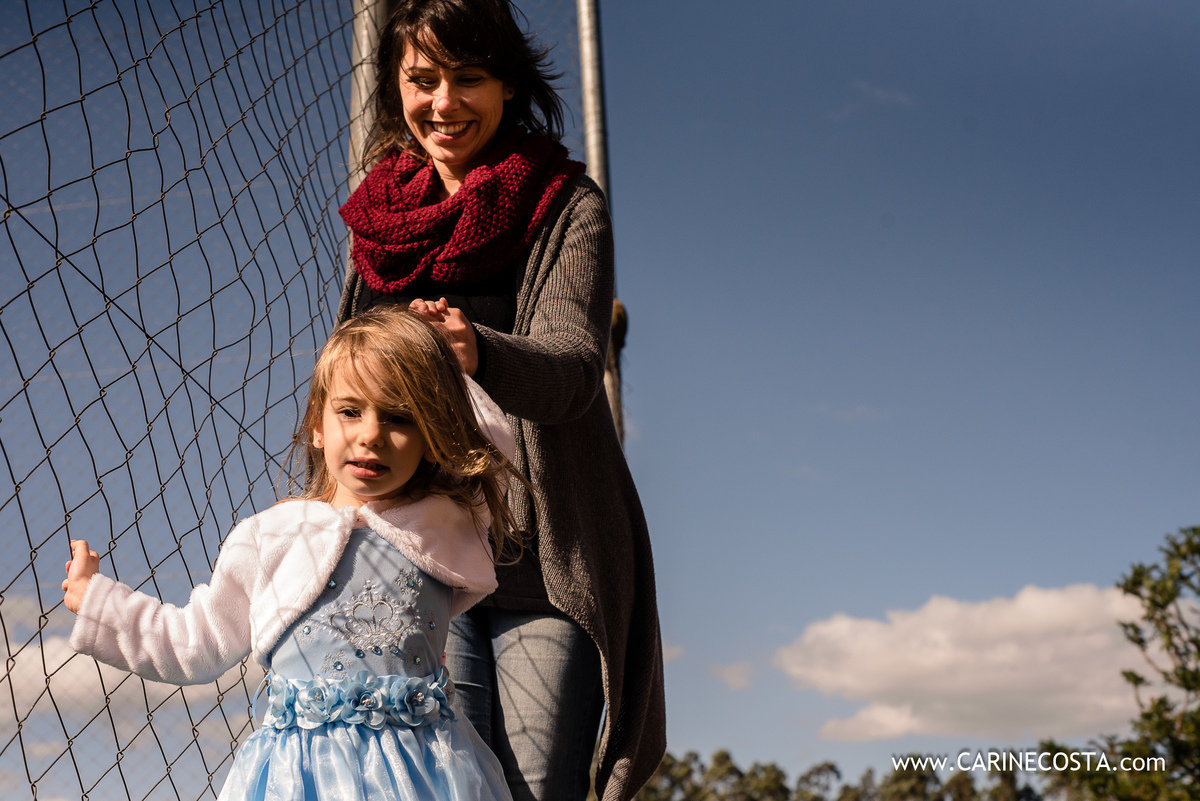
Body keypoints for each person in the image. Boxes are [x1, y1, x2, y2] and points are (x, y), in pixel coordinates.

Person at [335, 1, 666, 799]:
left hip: (537, 565)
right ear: (395, 86)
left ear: (509, 86)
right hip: (413, 559)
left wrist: (476, 351)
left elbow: (572, 368)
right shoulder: (381, 223)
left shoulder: (565, 204)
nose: (443, 103)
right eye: (422, 80)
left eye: (468, 80)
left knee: (528, 788)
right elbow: (347, 389)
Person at [63, 307, 523, 801]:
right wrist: (99, 602)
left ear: (431, 433)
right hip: (299, 779)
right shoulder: (273, 535)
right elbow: (193, 642)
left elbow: (498, 450)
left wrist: (447, 366)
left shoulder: (442, 521)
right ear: (318, 426)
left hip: (422, 772)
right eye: (350, 411)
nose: (370, 434)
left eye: (400, 417)